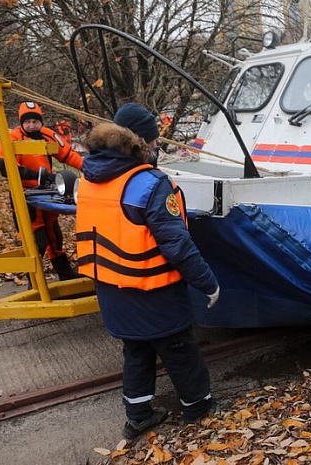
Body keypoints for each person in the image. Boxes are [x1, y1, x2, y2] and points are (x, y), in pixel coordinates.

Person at [75, 103, 220, 440]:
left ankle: (138, 415)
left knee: (136, 353)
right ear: (144, 143)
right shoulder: (150, 184)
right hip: (155, 292)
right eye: (155, 141)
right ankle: (199, 408)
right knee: (182, 353)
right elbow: (177, 245)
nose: (157, 147)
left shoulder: (90, 178)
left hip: (112, 290)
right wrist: (208, 283)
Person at [0, 101, 83, 281]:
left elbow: (69, 155)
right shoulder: (11, 138)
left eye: (35, 121)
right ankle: (34, 281)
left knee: (54, 235)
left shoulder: (48, 136)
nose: (31, 125)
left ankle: (65, 273)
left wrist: (90, 168)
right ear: (21, 122)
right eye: (27, 122)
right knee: (37, 239)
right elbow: (7, 168)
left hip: (48, 194)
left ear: (41, 122)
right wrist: (41, 176)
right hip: (24, 196)